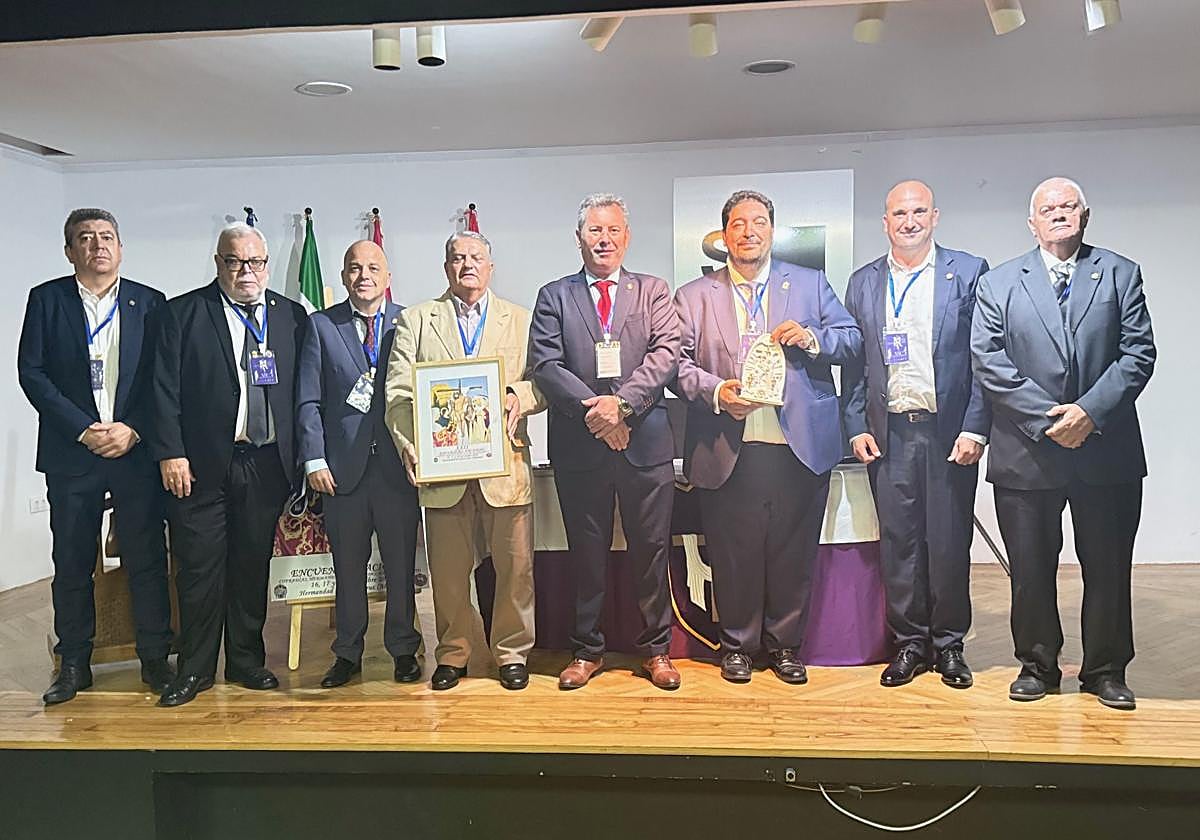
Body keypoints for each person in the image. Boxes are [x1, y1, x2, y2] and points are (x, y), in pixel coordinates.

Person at [971, 177, 1155, 710]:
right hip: (1026, 451)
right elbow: (988, 360)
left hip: (1106, 449)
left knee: (1109, 568)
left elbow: (1138, 354)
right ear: (1031, 222)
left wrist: (1088, 414)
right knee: (1030, 570)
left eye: (1068, 205)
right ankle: (1037, 666)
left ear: (1085, 215)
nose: (1059, 213)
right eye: (1048, 207)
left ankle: (1105, 671)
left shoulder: (1120, 273)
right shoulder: (999, 283)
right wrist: (1050, 418)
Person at [674, 189, 862, 685]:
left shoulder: (810, 283)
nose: (749, 232)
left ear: (772, 232)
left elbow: (851, 339)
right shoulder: (694, 295)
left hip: (797, 447)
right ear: (724, 235)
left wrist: (812, 338)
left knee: (792, 555)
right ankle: (737, 646)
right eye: (738, 224)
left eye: (758, 222)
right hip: (728, 448)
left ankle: (784, 647)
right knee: (732, 556)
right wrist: (717, 392)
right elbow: (677, 366)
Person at [18, 208, 174, 704]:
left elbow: (162, 378)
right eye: (85, 238)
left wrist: (134, 429)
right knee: (72, 563)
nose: (98, 245)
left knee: (147, 559)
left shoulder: (150, 302)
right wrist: (83, 430)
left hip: (134, 451)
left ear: (121, 248)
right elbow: (32, 373)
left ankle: (155, 659)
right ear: (70, 251)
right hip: (73, 454)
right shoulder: (46, 300)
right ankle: (74, 664)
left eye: (107, 236)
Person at [527, 193, 682, 691]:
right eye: (595, 230)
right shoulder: (554, 296)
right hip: (580, 446)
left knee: (651, 551)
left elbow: (666, 354)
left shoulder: (653, 291)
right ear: (579, 238)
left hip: (646, 445)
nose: (604, 239)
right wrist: (599, 414)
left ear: (627, 237)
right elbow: (546, 365)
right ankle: (586, 650)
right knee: (586, 554)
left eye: (613, 230)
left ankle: (656, 650)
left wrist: (624, 406)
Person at [150, 223, 308, 707]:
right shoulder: (183, 313)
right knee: (199, 570)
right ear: (219, 263)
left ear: (266, 265)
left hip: (265, 463)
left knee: (251, 565)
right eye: (235, 261)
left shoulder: (290, 316)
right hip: (198, 467)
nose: (246, 271)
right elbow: (162, 390)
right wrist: (171, 452)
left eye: (255, 261)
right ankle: (194, 670)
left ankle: (245, 661)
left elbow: (303, 393)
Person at [840, 181, 990, 689]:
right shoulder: (863, 282)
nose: (910, 221)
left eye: (919, 211)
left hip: (949, 435)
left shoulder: (967, 272)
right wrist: (855, 424)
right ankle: (909, 643)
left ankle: (949, 645)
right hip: (889, 436)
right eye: (900, 213)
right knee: (898, 545)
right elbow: (855, 365)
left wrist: (976, 426)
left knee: (948, 543)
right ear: (885, 222)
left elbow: (983, 359)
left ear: (935, 216)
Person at [384, 231, 545, 691]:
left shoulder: (521, 319)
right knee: (449, 572)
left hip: (505, 467)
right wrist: (408, 444)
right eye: (457, 258)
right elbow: (398, 394)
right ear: (446, 268)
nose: (467, 264)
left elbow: (543, 381)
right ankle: (453, 653)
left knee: (515, 568)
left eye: (476, 257)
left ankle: (512, 652)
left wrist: (519, 396)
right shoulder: (416, 321)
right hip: (443, 469)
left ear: (491, 266)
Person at [297, 240, 422, 688]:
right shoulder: (320, 326)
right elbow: (308, 400)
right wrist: (314, 459)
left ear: (387, 277)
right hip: (341, 473)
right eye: (354, 268)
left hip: (397, 470)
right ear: (343, 276)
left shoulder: (410, 322)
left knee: (401, 566)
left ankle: (404, 649)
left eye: (373, 268)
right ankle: (347, 653)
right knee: (347, 570)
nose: (363, 276)